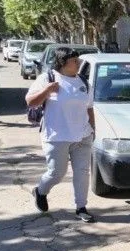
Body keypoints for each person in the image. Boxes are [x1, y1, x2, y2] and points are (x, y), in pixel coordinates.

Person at [25, 47, 96, 223]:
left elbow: (89, 107)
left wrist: (92, 129)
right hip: (56, 136)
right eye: (74, 61)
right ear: (63, 63)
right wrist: (47, 91)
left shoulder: (83, 82)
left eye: (78, 60)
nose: (78, 63)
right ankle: (40, 191)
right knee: (57, 173)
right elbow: (31, 102)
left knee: (82, 172)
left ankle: (81, 207)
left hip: (83, 135)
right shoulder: (48, 78)